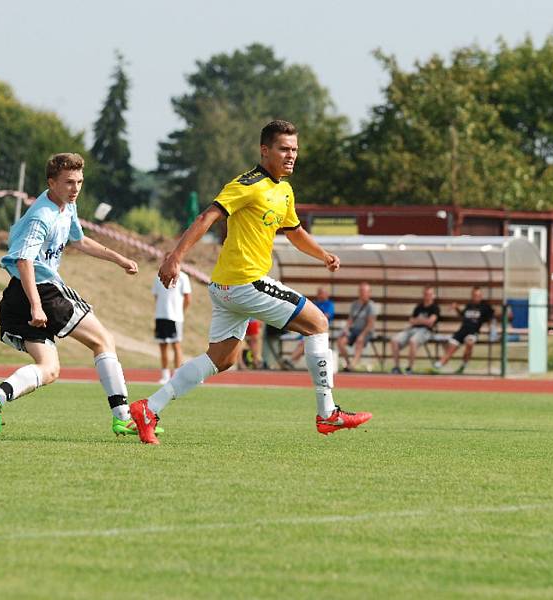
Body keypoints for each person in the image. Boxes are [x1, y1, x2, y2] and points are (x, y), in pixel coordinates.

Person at [128, 120, 372, 444]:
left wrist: (323, 254)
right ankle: (327, 413)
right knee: (318, 323)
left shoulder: (283, 190)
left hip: (227, 288)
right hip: (246, 283)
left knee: (223, 359)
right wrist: (175, 257)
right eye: (284, 149)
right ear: (264, 150)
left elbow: (295, 232)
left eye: (295, 149)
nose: (291, 156)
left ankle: (149, 408)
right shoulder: (248, 183)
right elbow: (207, 217)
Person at [0, 153, 157, 438]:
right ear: (52, 183)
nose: (75, 189)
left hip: (21, 295)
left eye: (80, 182)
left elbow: (80, 240)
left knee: (49, 369)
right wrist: (37, 306)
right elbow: (24, 260)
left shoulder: (66, 206)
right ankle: (122, 416)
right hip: (39, 291)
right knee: (103, 340)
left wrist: (118, 258)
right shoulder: (42, 215)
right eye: (69, 182)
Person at [432, 286, 493, 374]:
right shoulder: (469, 305)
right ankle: (439, 365)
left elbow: (491, 318)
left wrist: (492, 331)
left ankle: (463, 365)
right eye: (474, 295)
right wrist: (456, 308)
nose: (476, 297)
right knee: (451, 347)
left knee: (469, 342)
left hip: (473, 331)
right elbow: (463, 314)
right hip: (462, 330)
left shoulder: (485, 307)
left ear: (481, 296)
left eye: (478, 295)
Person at [152, 264, 192, 384]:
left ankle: (177, 376)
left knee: (176, 345)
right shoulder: (158, 277)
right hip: (161, 316)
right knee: (162, 345)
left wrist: (180, 312)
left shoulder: (183, 277)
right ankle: (165, 375)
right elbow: (156, 296)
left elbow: (188, 298)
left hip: (175, 317)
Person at [390, 286, 440, 374]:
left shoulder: (435, 308)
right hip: (412, 329)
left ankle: (409, 368)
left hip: (425, 331)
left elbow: (430, 322)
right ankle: (396, 367)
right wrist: (422, 321)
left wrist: (419, 321)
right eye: (426, 294)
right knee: (394, 340)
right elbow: (411, 321)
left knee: (413, 341)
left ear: (433, 296)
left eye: (429, 294)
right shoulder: (419, 307)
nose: (427, 296)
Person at [282, 287, 335, 369]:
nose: (320, 295)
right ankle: (292, 362)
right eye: (319, 293)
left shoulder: (329, 304)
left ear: (327, 294)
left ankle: (291, 361)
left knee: (304, 343)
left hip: (320, 331)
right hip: (308, 328)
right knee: (303, 342)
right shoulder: (314, 303)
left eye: (322, 293)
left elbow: (326, 317)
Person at [336, 282, 378, 372]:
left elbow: (370, 324)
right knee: (341, 341)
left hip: (366, 331)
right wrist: (346, 329)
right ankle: (348, 363)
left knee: (360, 341)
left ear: (369, 293)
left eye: (365, 291)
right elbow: (350, 319)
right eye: (361, 291)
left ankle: (353, 365)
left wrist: (362, 335)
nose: (363, 293)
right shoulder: (355, 304)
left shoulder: (371, 305)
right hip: (354, 330)